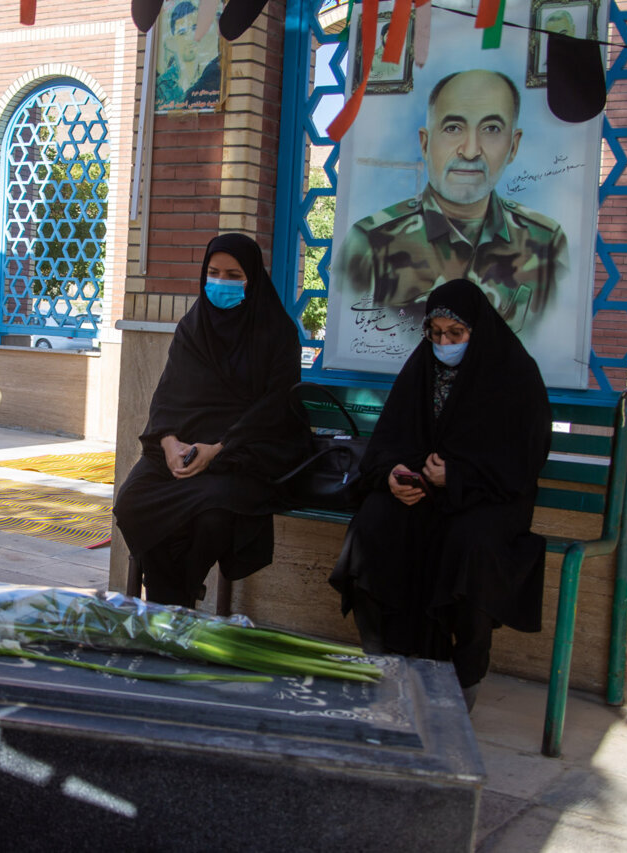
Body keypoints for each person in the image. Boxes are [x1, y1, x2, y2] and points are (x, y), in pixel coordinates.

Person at [328, 279, 551, 709]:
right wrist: (394, 474)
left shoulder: (515, 375)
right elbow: (389, 440)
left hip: (488, 500)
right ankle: (388, 662)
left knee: (471, 547)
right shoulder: (421, 369)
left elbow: (521, 460)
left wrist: (459, 475)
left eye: (455, 334)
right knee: (373, 526)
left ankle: (463, 680)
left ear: (477, 330)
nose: (443, 343)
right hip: (425, 495)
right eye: (436, 333)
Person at [114, 233, 308, 607]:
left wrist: (219, 448)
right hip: (183, 450)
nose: (221, 282)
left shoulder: (277, 332)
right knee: (133, 500)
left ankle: (174, 600)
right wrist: (169, 444)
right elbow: (168, 395)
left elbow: (276, 407)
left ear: (252, 278)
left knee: (214, 514)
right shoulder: (194, 326)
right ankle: (171, 599)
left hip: (244, 456)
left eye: (234, 275)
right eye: (214, 272)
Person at [338, 69, 569, 333]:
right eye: (453, 128)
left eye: (491, 129)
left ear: (513, 146)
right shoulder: (371, 244)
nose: (470, 151)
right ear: (425, 143)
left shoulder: (546, 242)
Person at [155, 0, 222, 110]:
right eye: (182, 33)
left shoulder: (210, 78)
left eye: (194, 29)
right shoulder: (161, 87)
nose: (190, 38)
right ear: (172, 40)